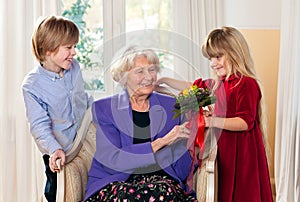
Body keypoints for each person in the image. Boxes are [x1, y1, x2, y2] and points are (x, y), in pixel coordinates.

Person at [156, 26, 273, 201]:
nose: (213, 63)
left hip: (242, 153)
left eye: (218, 57)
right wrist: (163, 81)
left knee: (243, 193)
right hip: (225, 151)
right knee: (224, 191)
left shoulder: (246, 84)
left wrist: (212, 121)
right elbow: (191, 86)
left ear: (235, 53)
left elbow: (244, 122)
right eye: (211, 58)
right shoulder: (219, 84)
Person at [84, 46, 197, 201]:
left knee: (163, 192)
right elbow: (114, 160)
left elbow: (181, 165)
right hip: (117, 181)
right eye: (140, 71)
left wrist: (193, 138)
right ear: (123, 76)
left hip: (161, 183)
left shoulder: (172, 106)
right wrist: (163, 142)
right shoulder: (105, 109)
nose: (149, 77)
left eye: (152, 70)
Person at [22, 15, 93, 202]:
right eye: (69, 47)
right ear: (48, 49)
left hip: (81, 141)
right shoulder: (32, 85)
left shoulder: (74, 67)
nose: (74, 52)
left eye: (74, 46)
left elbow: (82, 99)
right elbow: (38, 125)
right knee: (55, 192)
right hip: (59, 150)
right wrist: (54, 149)